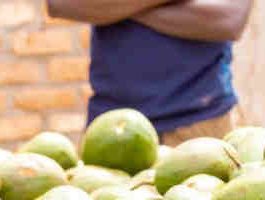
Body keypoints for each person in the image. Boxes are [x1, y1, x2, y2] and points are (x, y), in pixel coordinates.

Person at [47, 0, 253, 145]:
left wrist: (114, 9)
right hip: (111, 126)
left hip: (204, 124)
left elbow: (229, 19)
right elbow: (62, 3)